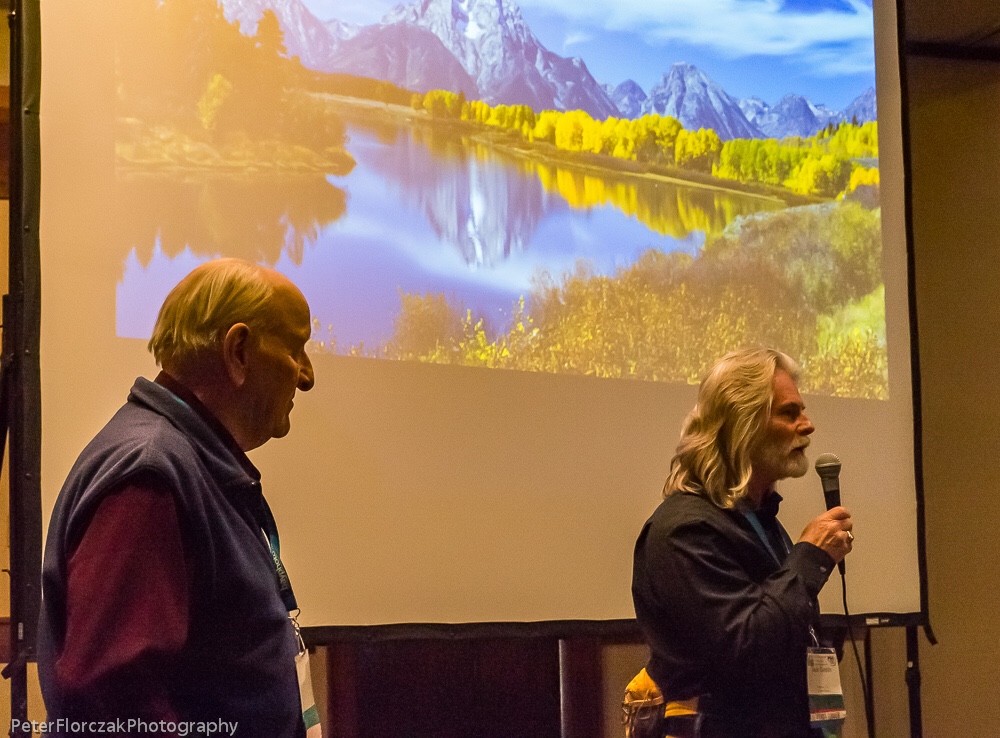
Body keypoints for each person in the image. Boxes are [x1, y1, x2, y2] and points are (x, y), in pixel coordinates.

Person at [38, 258, 317, 737]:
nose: (307, 376)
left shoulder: (185, 463)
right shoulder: (151, 475)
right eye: (296, 349)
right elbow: (112, 705)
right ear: (238, 351)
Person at [631, 347, 853, 738]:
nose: (808, 425)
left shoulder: (758, 520)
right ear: (741, 424)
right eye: (789, 413)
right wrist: (809, 557)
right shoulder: (685, 530)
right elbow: (745, 646)